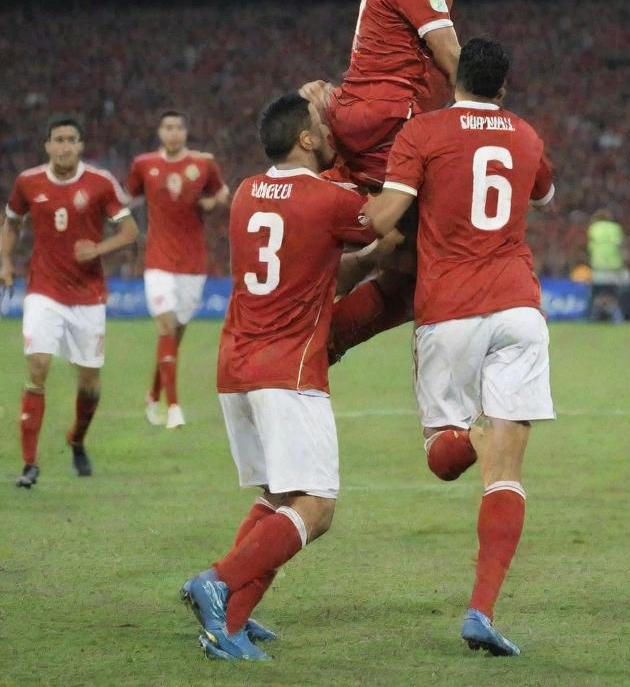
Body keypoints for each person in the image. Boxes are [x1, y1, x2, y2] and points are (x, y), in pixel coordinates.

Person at [364, 38, 555, 657]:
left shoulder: (424, 133)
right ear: (503, 86)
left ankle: (475, 432)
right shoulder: (526, 135)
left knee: (445, 459)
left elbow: (389, 214)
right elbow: (544, 195)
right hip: (519, 309)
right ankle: (481, 608)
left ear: (456, 78)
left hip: (448, 310)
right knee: (507, 471)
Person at [180, 93, 385, 662]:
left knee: (279, 495)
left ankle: (232, 621)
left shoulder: (246, 192)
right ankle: (218, 582)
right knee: (315, 507)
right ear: (305, 140)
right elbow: (384, 220)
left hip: (236, 364)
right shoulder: (327, 198)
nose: (328, 129)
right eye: (321, 125)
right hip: (288, 370)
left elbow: (317, 260)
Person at [300, 0, 469, 359]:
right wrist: (486, 116)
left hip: (360, 114)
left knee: (403, 251)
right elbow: (453, 59)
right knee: (432, 258)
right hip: (390, 122)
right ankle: (317, 340)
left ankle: (340, 282)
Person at [1, 118, 138, 487]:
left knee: (90, 382)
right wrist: (5, 261)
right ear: (47, 145)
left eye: (71, 140)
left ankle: (77, 440)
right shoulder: (28, 182)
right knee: (39, 366)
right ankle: (29, 465)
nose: (64, 146)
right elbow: (11, 221)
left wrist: (98, 247)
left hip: (88, 296)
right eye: (58, 140)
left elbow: (129, 231)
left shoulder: (99, 182)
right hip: (43, 291)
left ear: (81, 146)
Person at [125, 110, 229, 429]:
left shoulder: (203, 164)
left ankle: (153, 394)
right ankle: (174, 407)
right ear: (159, 132)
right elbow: (127, 199)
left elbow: (222, 192)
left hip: (193, 262)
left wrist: (212, 203)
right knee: (167, 327)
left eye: (178, 128)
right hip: (158, 260)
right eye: (167, 127)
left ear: (185, 132)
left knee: (175, 334)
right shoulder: (143, 165)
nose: (173, 133)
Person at [587, 208, 630, 321]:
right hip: (614, 267)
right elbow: (621, 246)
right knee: (614, 293)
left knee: (599, 293)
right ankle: (618, 317)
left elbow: (590, 247)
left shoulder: (593, 228)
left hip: (598, 267)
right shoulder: (615, 228)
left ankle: (595, 316)